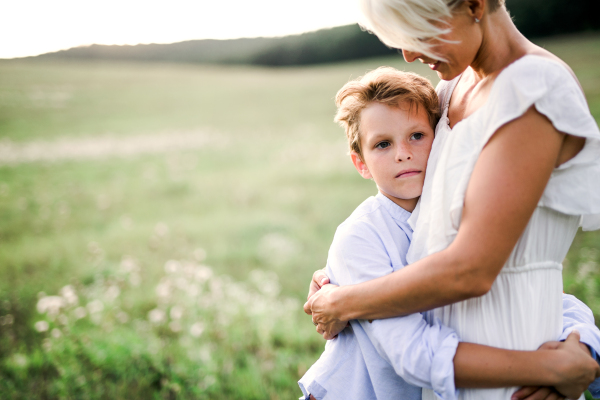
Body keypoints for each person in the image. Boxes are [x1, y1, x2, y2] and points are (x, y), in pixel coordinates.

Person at [303, 0, 600, 399]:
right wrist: (347, 269)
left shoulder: (533, 89)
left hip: (520, 366)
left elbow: (482, 270)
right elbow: (435, 234)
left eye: (416, 31)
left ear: (475, 5)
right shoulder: (449, 90)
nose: (407, 53)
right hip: (448, 376)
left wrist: (344, 300)